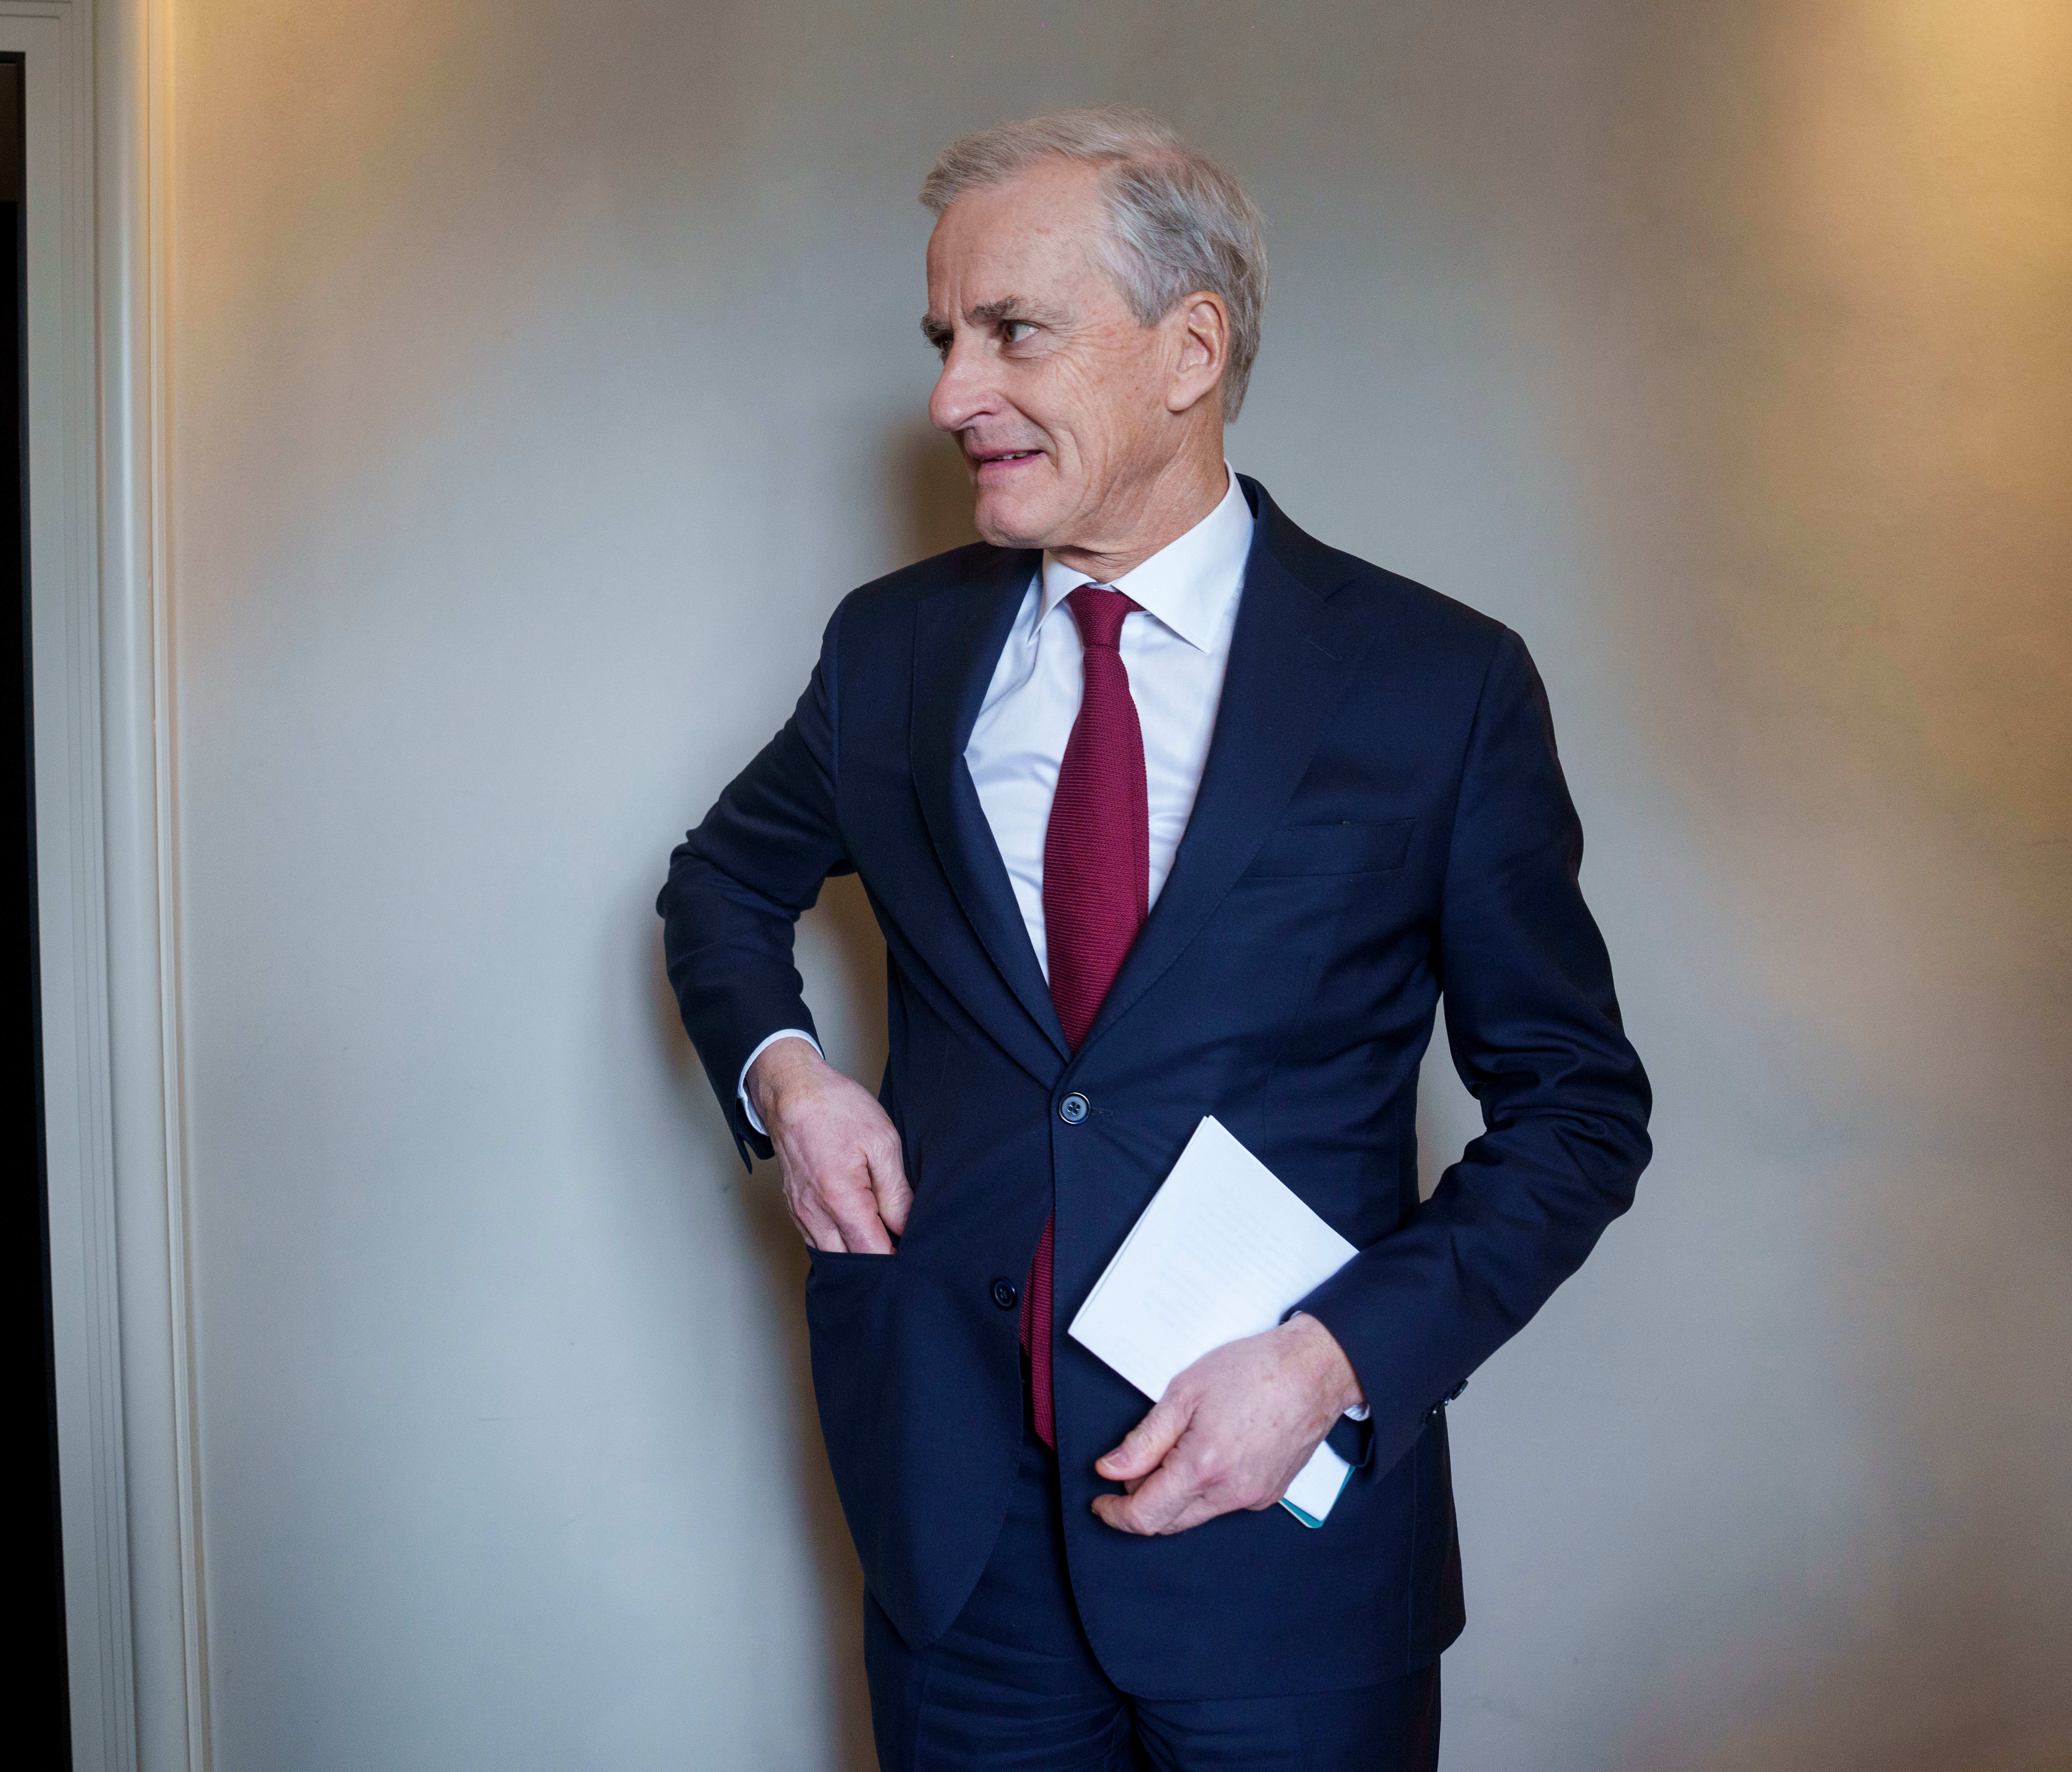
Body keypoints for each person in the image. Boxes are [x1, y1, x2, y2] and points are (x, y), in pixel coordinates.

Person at [658, 106, 1650, 1770]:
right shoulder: (892, 651)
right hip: (959, 1551)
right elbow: (719, 883)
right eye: (943, 338)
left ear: (1190, 351)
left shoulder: (1439, 684)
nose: (951, 395)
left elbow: (1577, 1111)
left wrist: (1334, 1363)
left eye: (1012, 332)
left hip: (1291, 1569)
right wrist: (789, 1077)